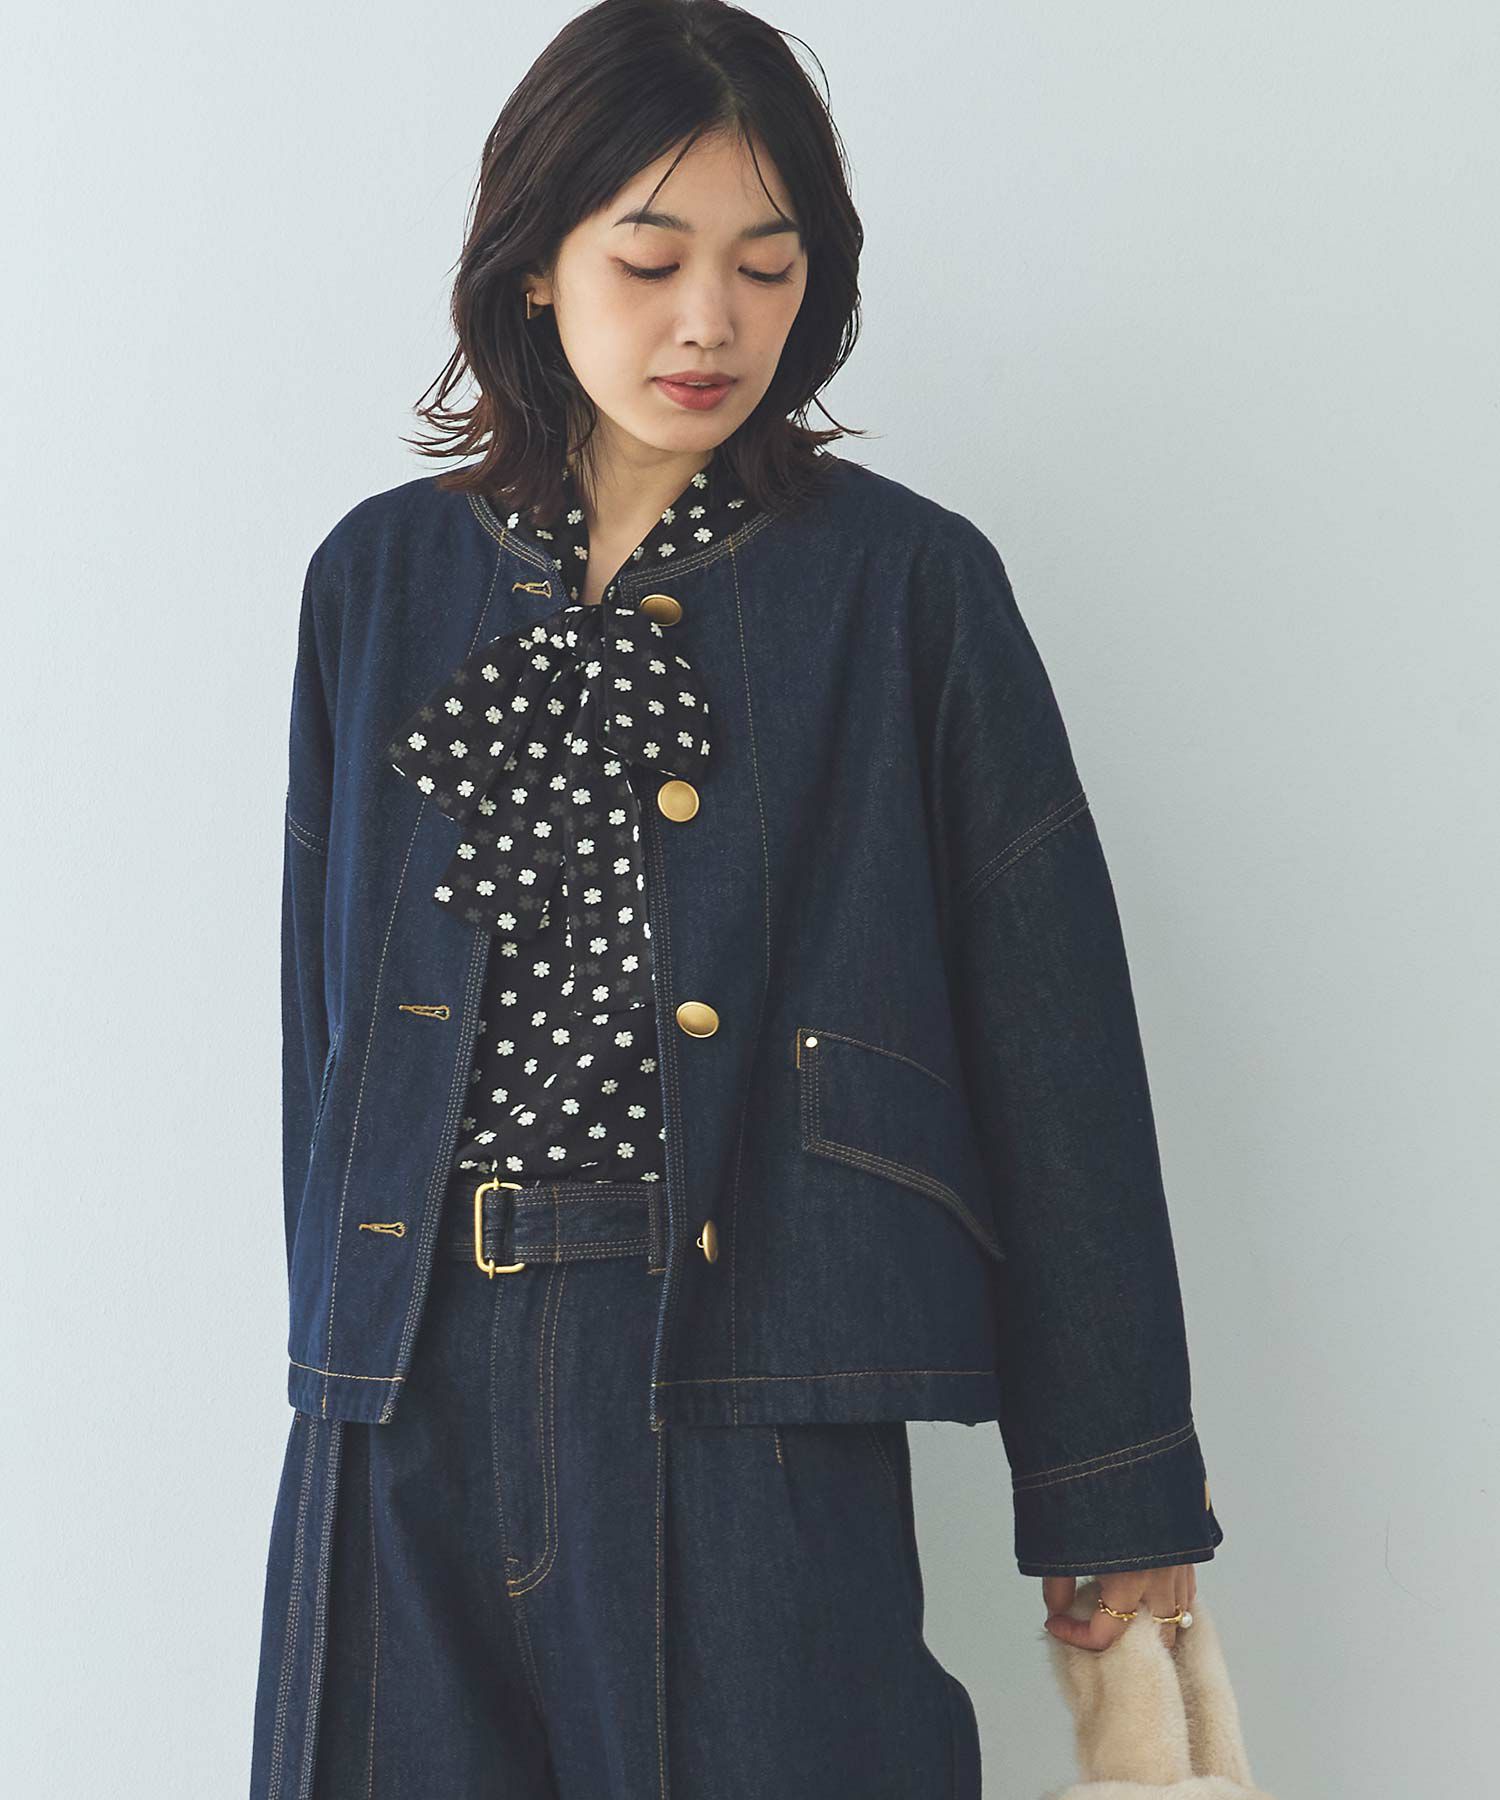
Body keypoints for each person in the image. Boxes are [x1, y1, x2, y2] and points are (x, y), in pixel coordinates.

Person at [250, 3, 1223, 1795]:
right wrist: (340, 1364)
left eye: (767, 268)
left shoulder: (904, 587)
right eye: (651, 260)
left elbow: (1057, 1038)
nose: (710, 321)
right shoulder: (377, 581)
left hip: (748, 1384)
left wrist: (1114, 1479)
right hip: (407, 1405)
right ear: (534, 265)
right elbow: (326, 1020)